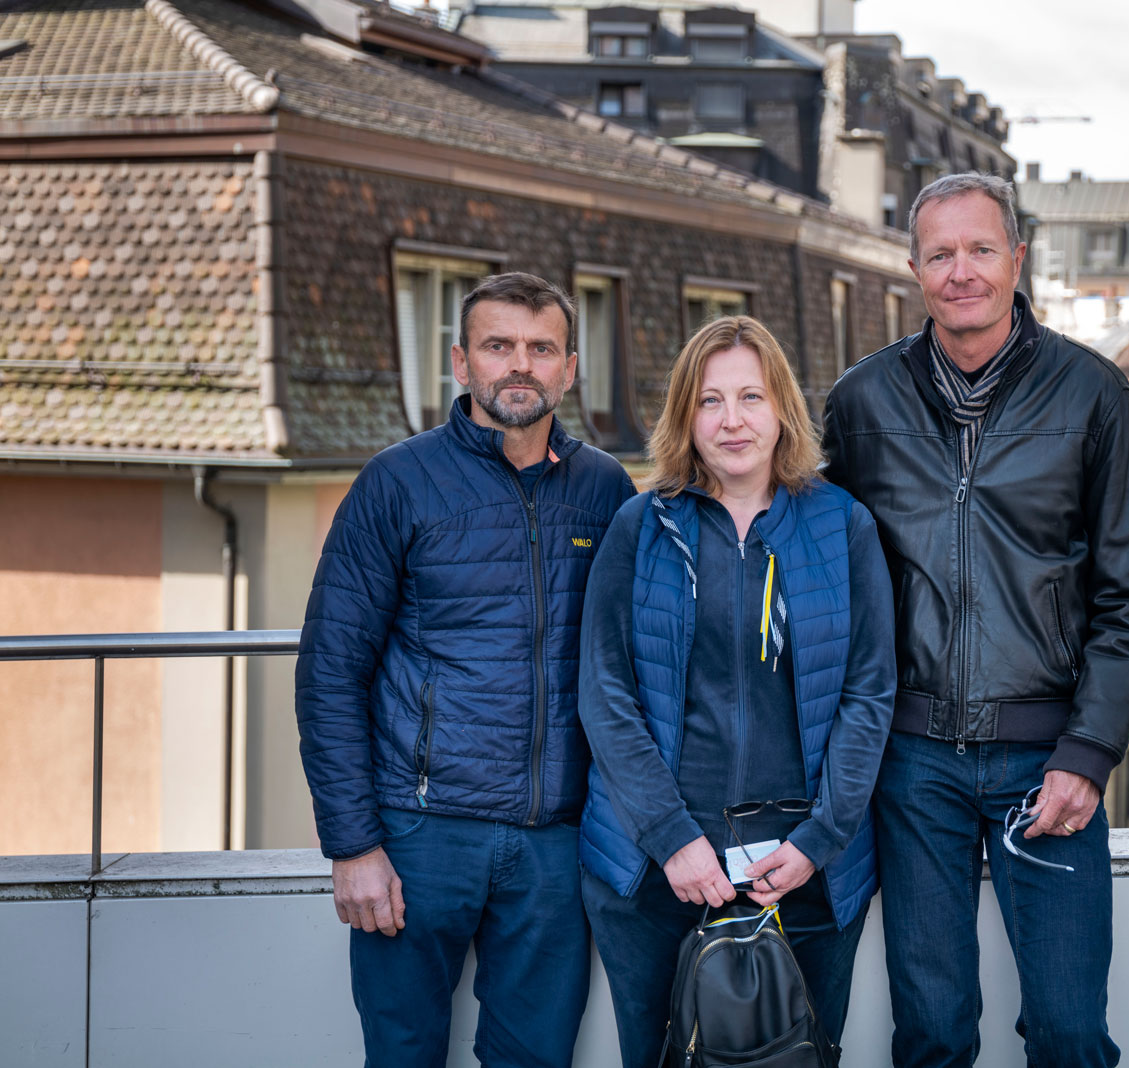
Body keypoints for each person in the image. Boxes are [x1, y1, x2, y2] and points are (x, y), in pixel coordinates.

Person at [823, 173, 1129, 1067]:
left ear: (1017, 258)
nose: (962, 271)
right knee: (932, 1034)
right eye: (941, 254)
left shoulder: (1094, 395)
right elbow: (816, 560)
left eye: (981, 249)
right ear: (914, 270)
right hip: (912, 763)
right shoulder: (861, 402)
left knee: (1068, 1031)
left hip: (1047, 758)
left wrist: (1088, 755)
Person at [295, 272, 636, 1067]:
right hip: (420, 836)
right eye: (498, 346)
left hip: (556, 846)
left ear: (569, 369)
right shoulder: (398, 482)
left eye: (541, 349)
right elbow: (331, 671)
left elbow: (631, 662)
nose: (520, 365)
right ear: (461, 361)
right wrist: (353, 845)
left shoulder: (605, 490)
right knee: (404, 1054)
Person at [577, 315, 896, 1068]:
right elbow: (605, 693)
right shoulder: (641, 526)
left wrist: (817, 842)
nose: (732, 420)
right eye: (710, 400)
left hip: (802, 874)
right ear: (685, 416)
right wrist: (672, 840)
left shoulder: (843, 525)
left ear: (781, 407)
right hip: (658, 873)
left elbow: (869, 693)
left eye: (751, 397)